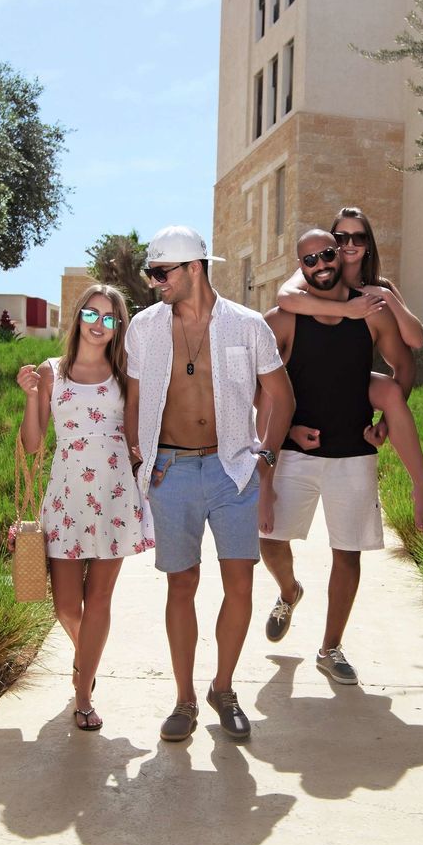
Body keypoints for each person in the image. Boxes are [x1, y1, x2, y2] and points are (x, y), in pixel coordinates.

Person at [124, 226, 294, 742]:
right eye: (151, 273)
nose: (155, 282)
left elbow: (282, 396)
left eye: (161, 272)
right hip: (170, 469)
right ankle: (184, 699)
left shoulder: (247, 325)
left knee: (240, 583)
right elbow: (134, 401)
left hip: (232, 469)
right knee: (182, 585)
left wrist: (266, 459)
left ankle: (224, 688)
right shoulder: (144, 327)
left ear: (193, 268)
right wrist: (140, 458)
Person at [260, 229, 414, 685]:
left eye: (327, 254)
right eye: (309, 260)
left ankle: (330, 648)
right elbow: (253, 386)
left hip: (353, 454)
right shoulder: (282, 320)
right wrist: (287, 428)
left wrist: (387, 419)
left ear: (338, 257)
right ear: (300, 268)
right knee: (269, 540)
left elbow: (405, 363)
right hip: (295, 453)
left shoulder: (371, 313)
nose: (321, 265)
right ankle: (289, 591)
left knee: (347, 554)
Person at [17, 285, 153, 733]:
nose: (99, 324)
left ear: (118, 327)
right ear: (78, 317)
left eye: (109, 318)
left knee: (98, 600)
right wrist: (30, 397)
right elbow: (33, 444)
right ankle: (87, 656)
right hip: (66, 497)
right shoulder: (51, 371)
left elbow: (137, 434)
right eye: (91, 314)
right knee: (65, 607)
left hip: (114, 495)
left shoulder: (125, 372)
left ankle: (83, 693)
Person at [274, 206, 423, 532]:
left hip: (354, 376)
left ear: (368, 243)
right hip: (315, 373)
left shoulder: (379, 287)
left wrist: (385, 295)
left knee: (390, 391)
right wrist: (347, 309)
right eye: (341, 237)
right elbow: (284, 297)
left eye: (358, 237)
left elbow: (414, 342)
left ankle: (421, 484)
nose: (349, 244)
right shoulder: (315, 269)